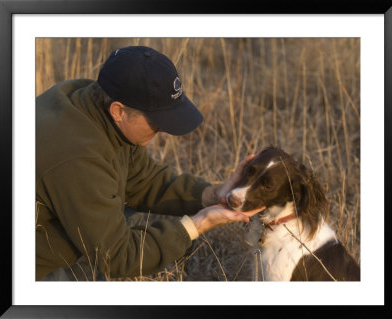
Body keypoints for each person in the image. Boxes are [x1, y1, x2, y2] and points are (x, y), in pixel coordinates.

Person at [36, 46, 265, 281]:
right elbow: (119, 257)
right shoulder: (79, 157)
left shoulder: (89, 100)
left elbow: (142, 179)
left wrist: (211, 195)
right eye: (157, 121)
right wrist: (197, 224)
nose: (163, 130)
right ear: (119, 111)